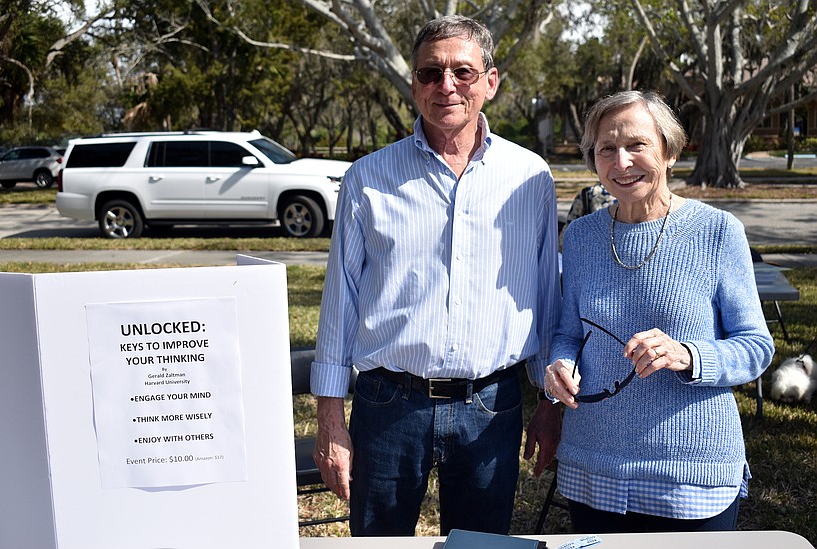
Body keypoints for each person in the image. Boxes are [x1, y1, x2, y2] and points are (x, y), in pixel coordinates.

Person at [310, 15, 563, 537]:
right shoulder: (367, 178)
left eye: (462, 72)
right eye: (431, 73)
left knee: (480, 547)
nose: (446, 85)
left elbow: (544, 295)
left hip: (492, 406)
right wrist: (330, 420)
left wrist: (550, 404)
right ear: (414, 85)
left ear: (490, 82)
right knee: (379, 546)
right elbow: (340, 301)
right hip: (387, 406)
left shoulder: (530, 177)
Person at [539, 90, 775, 533]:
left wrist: (687, 355)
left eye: (637, 145)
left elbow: (756, 347)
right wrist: (560, 366)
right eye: (606, 149)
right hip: (593, 468)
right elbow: (570, 333)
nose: (621, 162)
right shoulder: (582, 236)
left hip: (691, 475)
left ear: (669, 151)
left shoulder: (717, 231)